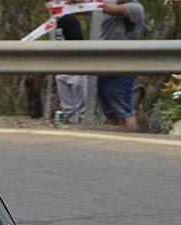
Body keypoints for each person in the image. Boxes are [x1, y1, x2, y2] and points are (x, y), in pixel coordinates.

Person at [98, 0, 146, 132]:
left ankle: (131, 139)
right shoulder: (110, 5)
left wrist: (89, 2)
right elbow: (88, 10)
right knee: (110, 112)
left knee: (125, 112)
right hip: (104, 63)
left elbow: (110, 9)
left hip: (122, 65)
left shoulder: (135, 8)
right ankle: (116, 140)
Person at [54, 12, 87, 123]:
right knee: (68, 107)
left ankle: (82, 125)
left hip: (75, 65)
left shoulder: (70, 20)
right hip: (62, 67)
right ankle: (71, 123)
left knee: (81, 107)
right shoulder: (54, 23)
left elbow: (77, 41)